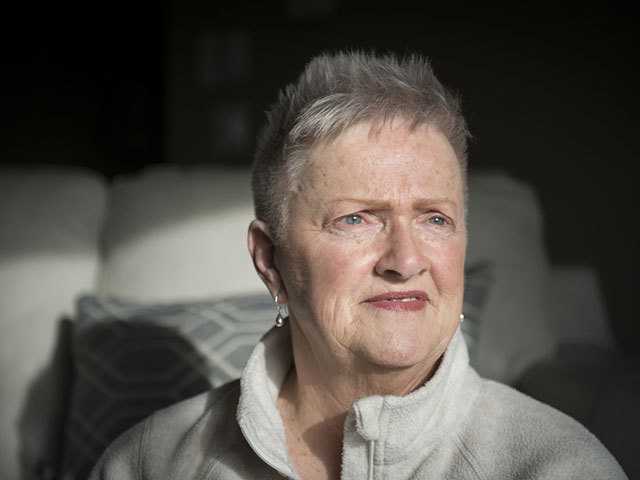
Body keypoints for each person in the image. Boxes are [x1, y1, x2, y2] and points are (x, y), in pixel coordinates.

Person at [90, 51, 627, 479]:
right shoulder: (147, 463)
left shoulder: (560, 465)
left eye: (435, 219)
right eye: (357, 219)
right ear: (269, 259)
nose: (406, 260)